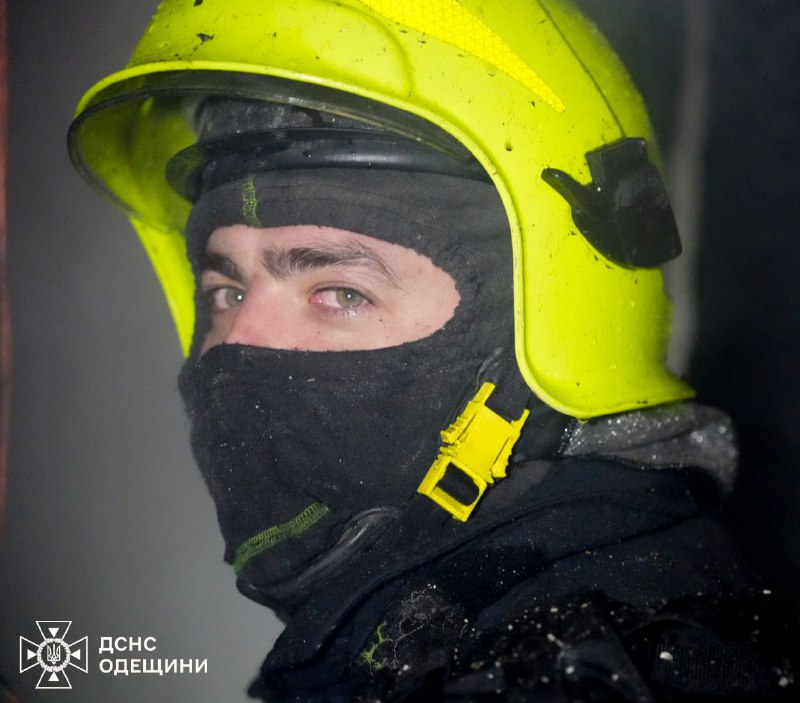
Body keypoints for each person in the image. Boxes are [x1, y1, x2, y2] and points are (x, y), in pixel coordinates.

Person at [68, 0, 797, 700]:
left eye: (341, 292)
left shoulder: (611, 662)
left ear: (538, 326)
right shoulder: (424, 629)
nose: (237, 346)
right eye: (226, 293)